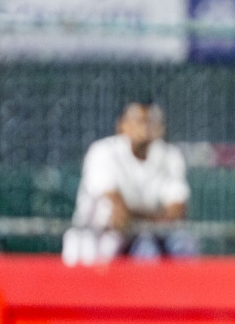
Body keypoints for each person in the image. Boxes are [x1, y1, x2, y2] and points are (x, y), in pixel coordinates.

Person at [62, 100, 194, 265]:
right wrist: (154, 217)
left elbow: (177, 214)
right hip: (96, 240)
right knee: (118, 241)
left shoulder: (170, 155)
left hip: (144, 237)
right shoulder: (102, 152)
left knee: (180, 241)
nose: (145, 128)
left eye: (151, 122)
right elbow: (119, 216)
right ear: (122, 125)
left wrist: (139, 219)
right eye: (139, 121)